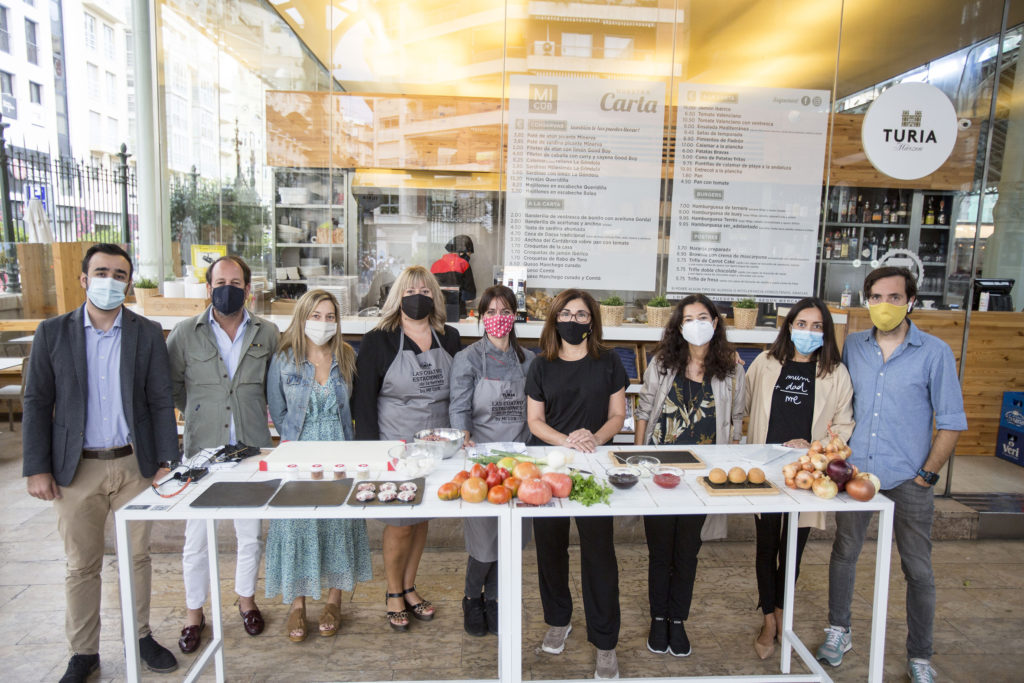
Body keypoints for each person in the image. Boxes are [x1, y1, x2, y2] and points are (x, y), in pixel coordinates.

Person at [22, 243, 179, 681]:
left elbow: (159, 399)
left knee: (137, 556)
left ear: (129, 282)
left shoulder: (146, 332)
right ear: (83, 279)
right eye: (102, 271)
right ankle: (83, 652)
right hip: (76, 468)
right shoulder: (52, 332)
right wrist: (37, 466)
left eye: (120, 274)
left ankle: (141, 635)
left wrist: (167, 459)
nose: (111, 280)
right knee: (81, 563)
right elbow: (36, 401)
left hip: (134, 464)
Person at [815, 267, 966, 683]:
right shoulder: (854, 347)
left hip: (908, 479)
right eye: (877, 297)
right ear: (867, 302)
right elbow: (832, 393)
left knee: (918, 568)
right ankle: (839, 630)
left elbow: (951, 421)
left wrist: (928, 474)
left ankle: (920, 655)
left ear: (911, 301)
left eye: (895, 297)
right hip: (856, 476)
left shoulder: (934, 352)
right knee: (845, 554)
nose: (885, 305)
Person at [167, 255, 279, 653]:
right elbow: (175, 389)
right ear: (208, 287)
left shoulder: (268, 333)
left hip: (250, 447)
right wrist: (202, 412)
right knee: (195, 538)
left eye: (235, 281)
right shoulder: (184, 334)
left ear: (248, 289)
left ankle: (246, 600)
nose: (227, 288)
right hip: (202, 453)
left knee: (249, 534)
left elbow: (273, 387)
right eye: (219, 281)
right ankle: (194, 612)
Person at [634, 293, 745, 658]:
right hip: (660, 474)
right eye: (688, 318)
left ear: (715, 322)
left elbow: (736, 420)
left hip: (703, 478)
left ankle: (677, 619)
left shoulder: (731, 368)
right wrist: (637, 460)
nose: (696, 324)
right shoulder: (662, 364)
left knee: (688, 552)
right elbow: (645, 409)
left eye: (703, 317)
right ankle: (657, 617)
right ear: (678, 327)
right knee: (660, 552)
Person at [525, 288, 628, 680]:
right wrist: (568, 440)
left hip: (594, 466)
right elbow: (535, 422)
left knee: (599, 554)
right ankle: (558, 620)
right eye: (566, 313)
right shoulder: (541, 365)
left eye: (582, 314)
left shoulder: (609, 362)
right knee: (550, 548)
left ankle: (605, 643)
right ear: (555, 319)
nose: (573, 320)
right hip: (548, 466)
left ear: (592, 322)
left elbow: (617, 414)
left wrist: (593, 440)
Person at [352, 265, 461, 630]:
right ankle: (393, 592)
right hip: (394, 449)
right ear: (398, 296)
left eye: (427, 292)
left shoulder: (450, 337)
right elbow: (363, 403)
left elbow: (460, 395)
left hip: (438, 449)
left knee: (421, 520)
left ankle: (411, 586)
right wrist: (369, 454)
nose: (419, 297)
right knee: (399, 522)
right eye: (412, 290)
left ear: (436, 298)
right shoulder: (378, 340)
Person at [744, 297, 853, 659]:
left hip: (806, 475)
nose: (809, 331)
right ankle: (769, 622)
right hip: (766, 471)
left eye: (817, 326)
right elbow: (741, 403)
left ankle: (781, 614)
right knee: (765, 548)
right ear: (789, 326)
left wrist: (816, 444)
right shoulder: (765, 363)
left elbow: (843, 424)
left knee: (793, 551)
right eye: (802, 324)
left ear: (827, 332)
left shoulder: (835, 372)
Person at [265, 289, 372, 641]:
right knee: (298, 525)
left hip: (339, 450)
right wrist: (295, 445)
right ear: (302, 318)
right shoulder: (284, 359)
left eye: (330, 317)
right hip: (300, 453)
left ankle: (334, 600)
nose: (323, 323)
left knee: (336, 525)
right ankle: (297, 606)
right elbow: (277, 410)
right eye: (316, 316)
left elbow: (353, 405)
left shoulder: (347, 356)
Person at [449, 285, 535, 637]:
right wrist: (462, 435)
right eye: (491, 312)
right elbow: (458, 406)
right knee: (485, 546)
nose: (498, 318)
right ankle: (472, 597)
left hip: (520, 462)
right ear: (481, 318)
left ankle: (495, 600)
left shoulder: (530, 360)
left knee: (510, 542)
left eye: (505, 311)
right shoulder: (467, 359)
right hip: (482, 463)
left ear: (514, 316)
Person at [430, 234, 476, 317]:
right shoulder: (463, 264)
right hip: (458, 311)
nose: (469, 257)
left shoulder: (435, 265)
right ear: (462, 252)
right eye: (469, 254)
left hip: (437, 310)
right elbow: (469, 297)